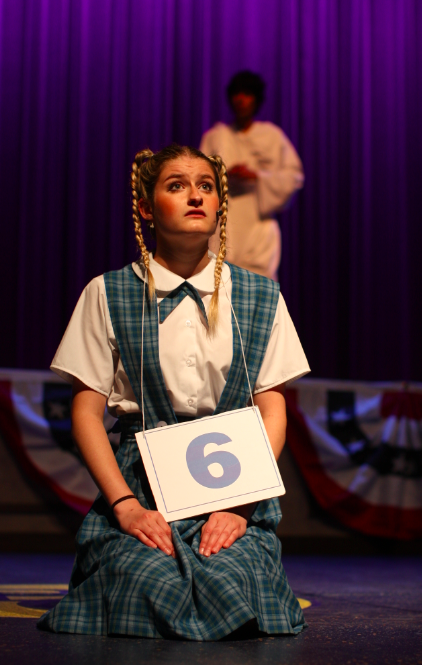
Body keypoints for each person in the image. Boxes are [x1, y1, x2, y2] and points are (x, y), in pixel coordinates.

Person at [37, 144, 310, 640]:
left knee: (233, 581)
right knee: (143, 582)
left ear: (220, 205)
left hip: (231, 488)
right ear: (146, 207)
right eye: (177, 185)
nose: (195, 196)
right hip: (144, 488)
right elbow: (86, 411)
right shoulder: (108, 292)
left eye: (206, 186)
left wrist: (239, 506)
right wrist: (125, 505)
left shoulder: (259, 295)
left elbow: (273, 410)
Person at [200, 71, 304, 280]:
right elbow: (199, 178)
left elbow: (293, 177)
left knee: (257, 287)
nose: (240, 99)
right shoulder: (215, 136)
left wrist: (257, 177)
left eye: (247, 94)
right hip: (224, 222)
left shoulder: (271, 136)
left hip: (258, 224)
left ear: (256, 99)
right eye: (237, 94)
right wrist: (223, 175)